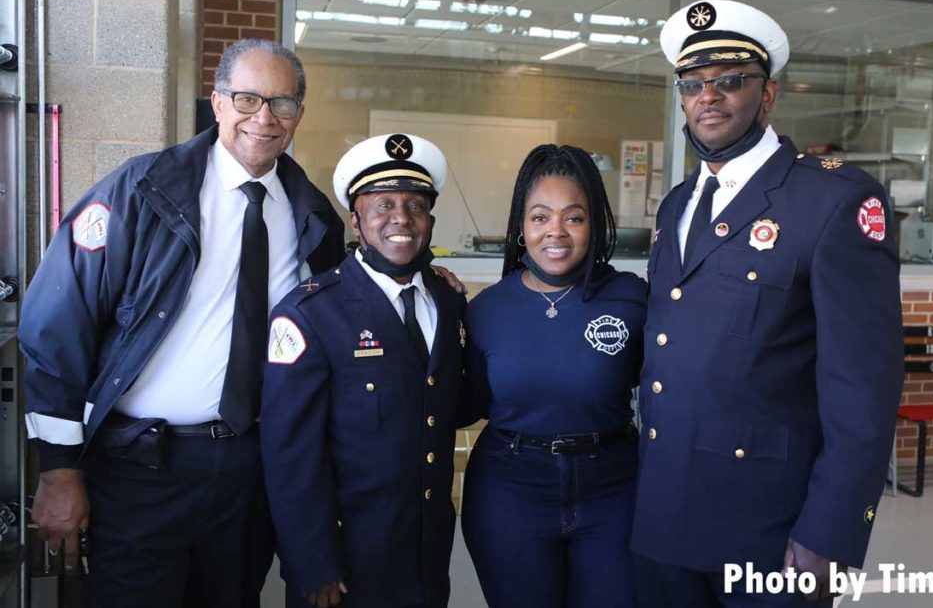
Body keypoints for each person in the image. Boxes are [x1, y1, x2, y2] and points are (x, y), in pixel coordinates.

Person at [18, 38, 347, 606]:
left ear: (299, 115)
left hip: (249, 476)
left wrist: (423, 276)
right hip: (141, 471)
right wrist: (58, 470)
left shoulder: (313, 216)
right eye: (246, 99)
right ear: (217, 103)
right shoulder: (141, 191)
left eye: (282, 103)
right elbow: (56, 328)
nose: (263, 118)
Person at [631, 0, 904, 606]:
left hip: (771, 529)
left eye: (730, 81)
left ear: (768, 94)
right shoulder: (677, 204)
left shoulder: (832, 200)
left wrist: (830, 532)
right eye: (693, 83)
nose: (710, 96)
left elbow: (864, 388)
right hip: (665, 514)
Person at [261, 132, 471, 608]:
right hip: (345, 563)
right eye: (382, 205)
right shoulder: (310, 313)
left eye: (416, 206)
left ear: (431, 221)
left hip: (424, 555)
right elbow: (290, 453)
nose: (401, 218)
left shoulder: (447, 299)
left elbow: (450, 407)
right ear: (355, 221)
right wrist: (312, 561)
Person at [461, 144, 646, 608]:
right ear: (521, 229)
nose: (556, 232)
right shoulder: (487, 310)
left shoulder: (632, 298)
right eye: (540, 217)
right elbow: (466, 404)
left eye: (574, 217)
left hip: (614, 490)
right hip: (511, 491)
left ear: (594, 225)